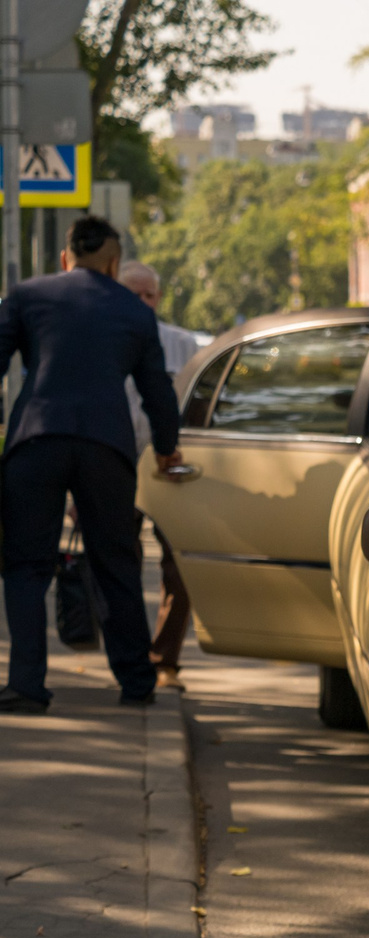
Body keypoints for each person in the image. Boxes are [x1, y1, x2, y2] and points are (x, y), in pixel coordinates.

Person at [0, 217, 181, 713]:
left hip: (35, 441)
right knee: (115, 563)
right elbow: (157, 392)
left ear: (65, 258)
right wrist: (167, 448)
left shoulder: (26, 296)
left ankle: (26, 684)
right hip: (106, 448)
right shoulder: (133, 311)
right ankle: (136, 681)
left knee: (25, 565)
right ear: (115, 264)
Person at [120, 260, 208, 689]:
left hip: (167, 467)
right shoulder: (103, 339)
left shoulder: (181, 343)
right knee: (119, 564)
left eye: (148, 295)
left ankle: (164, 661)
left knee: (178, 566)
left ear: (159, 297)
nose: (142, 303)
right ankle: (131, 657)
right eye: (132, 293)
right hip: (116, 464)